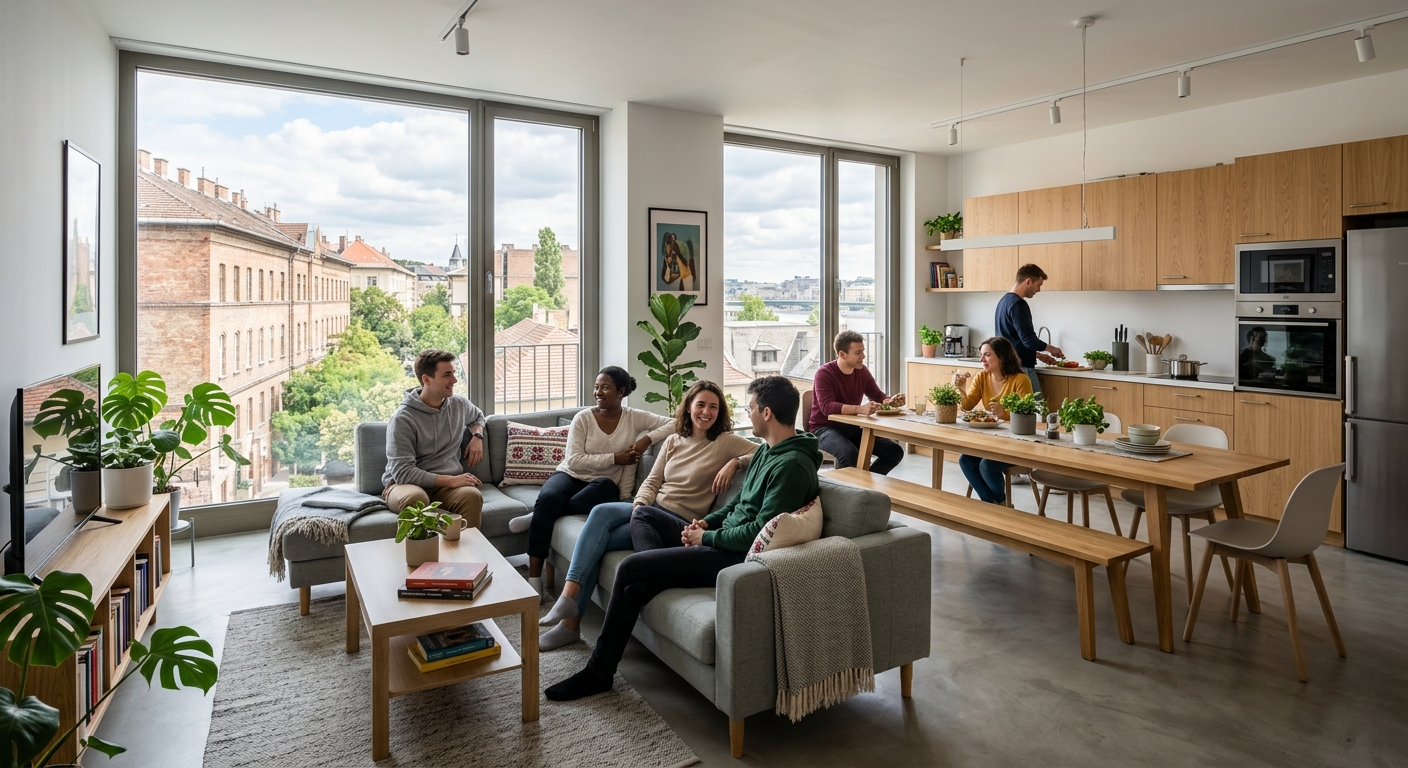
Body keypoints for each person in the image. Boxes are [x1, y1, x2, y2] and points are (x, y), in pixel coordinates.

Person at [545, 375, 821, 701]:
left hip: (734, 559)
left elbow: (757, 532)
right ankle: (603, 665)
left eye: (750, 408)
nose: (747, 413)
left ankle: (597, 673)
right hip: (716, 540)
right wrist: (707, 521)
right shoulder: (767, 452)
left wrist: (707, 537)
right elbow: (737, 505)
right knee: (636, 564)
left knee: (632, 569)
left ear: (767, 413)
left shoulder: (791, 466)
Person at [536, 380, 758, 650]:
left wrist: (735, 462)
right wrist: (640, 503)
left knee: (600, 514)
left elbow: (764, 451)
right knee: (598, 534)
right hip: (650, 511)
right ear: (689, 407)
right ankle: (569, 622)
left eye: (713, 407)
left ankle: (568, 605)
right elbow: (652, 481)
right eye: (700, 404)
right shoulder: (674, 440)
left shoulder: (724, 442)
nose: (706, 412)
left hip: (677, 522)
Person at [507, 366, 676, 600]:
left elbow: (675, 423)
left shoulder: (634, 417)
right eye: (596, 387)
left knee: (599, 489)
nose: (598, 392)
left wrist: (646, 440)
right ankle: (534, 579)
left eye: (605, 387)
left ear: (621, 392)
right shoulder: (584, 418)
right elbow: (573, 461)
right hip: (570, 475)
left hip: (600, 485)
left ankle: (541, 514)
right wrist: (615, 458)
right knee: (548, 497)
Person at [381, 349, 487, 528]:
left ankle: (465, 547)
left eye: (453, 373)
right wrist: (451, 480)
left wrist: (477, 436)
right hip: (404, 485)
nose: (454, 380)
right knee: (416, 498)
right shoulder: (403, 418)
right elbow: (403, 473)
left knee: (472, 495)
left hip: (446, 488)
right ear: (426, 379)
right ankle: (425, 547)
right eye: (447, 375)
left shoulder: (459, 404)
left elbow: (477, 416)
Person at [809, 330, 906, 474]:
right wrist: (860, 409)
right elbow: (827, 407)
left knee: (894, 451)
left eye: (863, 351)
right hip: (824, 429)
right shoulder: (824, 373)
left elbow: (877, 394)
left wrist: (889, 401)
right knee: (849, 455)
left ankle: (864, 483)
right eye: (858, 353)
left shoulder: (862, 371)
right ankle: (845, 488)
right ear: (842, 354)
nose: (863, 356)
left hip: (852, 428)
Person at [953, 337, 1033, 505]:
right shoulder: (981, 377)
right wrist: (960, 388)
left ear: (1002, 357)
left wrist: (1005, 413)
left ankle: (997, 507)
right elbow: (967, 406)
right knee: (965, 460)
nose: (982, 359)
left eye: (987, 355)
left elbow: (1028, 414)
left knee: (987, 465)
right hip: (992, 442)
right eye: (981, 355)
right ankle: (996, 505)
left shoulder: (1020, 380)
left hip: (1017, 444)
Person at [995, 264, 1064, 394]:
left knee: (1014, 406)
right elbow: (1028, 340)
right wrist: (1051, 349)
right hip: (1021, 368)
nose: (1039, 290)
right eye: (1038, 285)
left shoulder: (1004, 301)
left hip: (1006, 367)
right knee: (1036, 405)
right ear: (1028, 281)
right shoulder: (1018, 304)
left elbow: (1012, 340)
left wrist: (1037, 355)